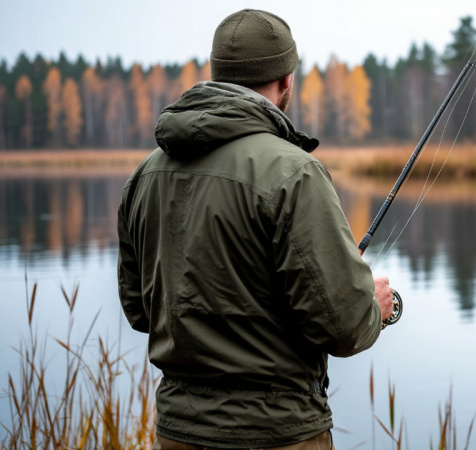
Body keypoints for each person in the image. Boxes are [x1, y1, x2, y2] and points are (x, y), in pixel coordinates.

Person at [117, 9, 393, 449]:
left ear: (217, 73)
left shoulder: (145, 175)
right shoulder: (294, 172)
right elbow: (344, 327)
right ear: (286, 81)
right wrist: (375, 306)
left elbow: (139, 310)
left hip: (177, 433)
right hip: (277, 435)